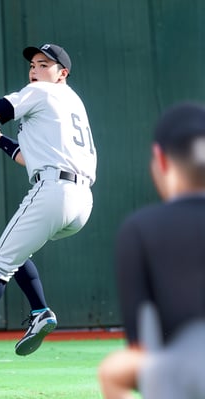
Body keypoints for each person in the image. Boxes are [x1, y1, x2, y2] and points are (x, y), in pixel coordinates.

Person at [0, 43, 97, 367]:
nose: (35, 70)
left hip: (54, 191)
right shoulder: (72, 102)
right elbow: (28, 158)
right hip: (81, 202)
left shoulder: (41, 92)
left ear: (62, 73)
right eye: (33, 65)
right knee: (17, 252)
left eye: (45, 65)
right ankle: (40, 311)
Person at [98, 102, 205, 398]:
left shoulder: (140, 228)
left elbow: (140, 343)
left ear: (160, 160)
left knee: (115, 369)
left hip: (186, 370)